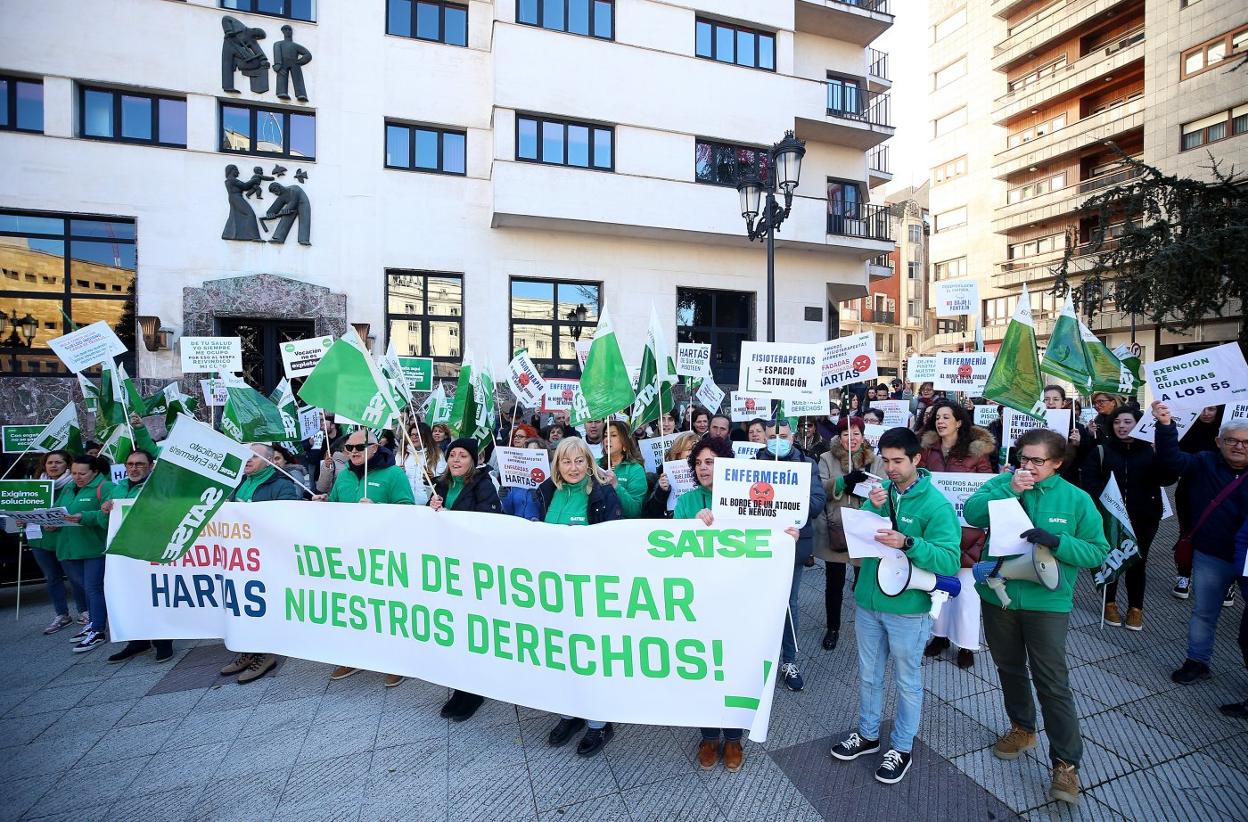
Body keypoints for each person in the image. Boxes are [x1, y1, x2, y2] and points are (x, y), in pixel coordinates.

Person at [963, 429, 1110, 806]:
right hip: (1000, 595)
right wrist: (1009, 488)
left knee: (1052, 680)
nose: (1027, 466)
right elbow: (974, 514)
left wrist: (1058, 542)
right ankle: (1022, 727)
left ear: (1057, 463)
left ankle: (1065, 763)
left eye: (1037, 461)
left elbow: (1097, 552)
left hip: (1047, 602)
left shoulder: (1076, 499)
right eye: (1023, 458)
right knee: (1009, 667)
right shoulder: (1003, 482)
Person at [830, 427, 960, 785]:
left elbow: (949, 561)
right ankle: (868, 735)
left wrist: (909, 542)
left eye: (897, 461)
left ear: (917, 459)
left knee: (907, 680)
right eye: (885, 460)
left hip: (907, 607)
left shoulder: (936, 506)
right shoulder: (882, 492)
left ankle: (901, 748)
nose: (889, 468)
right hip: (870, 600)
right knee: (869, 674)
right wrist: (871, 511)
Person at [676, 434, 800, 773]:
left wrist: (785, 538)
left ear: (726, 465)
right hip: (700, 598)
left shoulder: (745, 497)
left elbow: (768, 534)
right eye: (699, 462)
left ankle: (732, 738)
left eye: (711, 461)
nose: (704, 468)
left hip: (740, 598)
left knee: (733, 668)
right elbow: (673, 548)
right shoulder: (687, 503)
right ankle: (708, 736)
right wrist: (692, 527)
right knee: (704, 670)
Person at [534, 437, 623, 756]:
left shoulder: (603, 493)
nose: (573, 468)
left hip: (590, 592)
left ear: (589, 462)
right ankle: (569, 714)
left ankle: (600, 724)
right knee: (561, 654)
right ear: (557, 465)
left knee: (591, 657)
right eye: (566, 462)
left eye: (579, 461)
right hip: (554, 591)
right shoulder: (545, 492)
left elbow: (614, 541)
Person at [1152, 402, 1248, 685]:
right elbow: (1172, 461)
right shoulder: (1204, 462)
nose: (1239, 446)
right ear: (1219, 441)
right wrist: (1167, 426)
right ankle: (1197, 662)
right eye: (1231, 440)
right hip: (1213, 555)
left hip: (1247, 561)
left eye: (1245, 442)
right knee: (1205, 612)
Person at [319, 430, 415, 687]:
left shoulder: (394, 474)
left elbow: (409, 510)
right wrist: (321, 504)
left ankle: (397, 661)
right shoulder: (345, 475)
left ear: (373, 448)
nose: (352, 452)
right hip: (351, 554)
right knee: (355, 607)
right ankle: (356, 656)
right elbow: (335, 507)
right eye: (348, 448)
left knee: (387, 608)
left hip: (383, 554)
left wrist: (378, 510)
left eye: (359, 448)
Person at [1079, 407, 1177, 630]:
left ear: (1139, 425)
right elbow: (1090, 483)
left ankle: (1135, 608)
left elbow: (1168, 478)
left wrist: (1163, 455)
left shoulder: (1151, 450)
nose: (1121, 426)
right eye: (1117, 422)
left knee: (1137, 562)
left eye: (1127, 422)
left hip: (1144, 517)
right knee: (1111, 558)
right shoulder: (1101, 451)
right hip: (1109, 518)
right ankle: (1110, 603)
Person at [918, 400, 994, 669]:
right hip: (937, 527)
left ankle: (966, 644)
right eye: (937, 417)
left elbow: (987, 486)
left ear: (959, 421)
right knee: (938, 585)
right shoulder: (927, 451)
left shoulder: (976, 453)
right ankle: (938, 636)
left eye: (946, 417)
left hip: (968, 531)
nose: (940, 421)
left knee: (967, 591)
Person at [429, 438, 502, 721]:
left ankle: (474, 690)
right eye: (452, 455)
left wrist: (454, 516)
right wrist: (431, 507)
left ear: (473, 460)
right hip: (447, 567)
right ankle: (460, 685)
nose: (456, 460)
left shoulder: (483, 484)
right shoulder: (441, 485)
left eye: (462, 456)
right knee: (456, 628)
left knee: (473, 628)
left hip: (473, 568)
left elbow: (491, 522)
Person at [218, 444, 298, 683]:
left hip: (267, 560)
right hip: (241, 559)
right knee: (246, 606)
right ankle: (250, 651)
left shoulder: (282, 486)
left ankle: (266, 655)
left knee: (265, 606)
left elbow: (288, 520)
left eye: (253, 456)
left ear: (271, 460)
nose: (247, 460)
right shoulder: (240, 483)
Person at [756, 418, 826, 691]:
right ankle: (758, 660)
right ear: (764, 438)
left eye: (783, 436)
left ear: (793, 438)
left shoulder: (807, 465)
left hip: (792, 545)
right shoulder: (751, 465)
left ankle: (789, 660)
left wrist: (785, 502)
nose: (778, 440)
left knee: (788, 603)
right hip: (758, 546)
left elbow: (818, 502)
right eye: (773, 435)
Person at [814, 417, 884, 651]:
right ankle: (832, 626)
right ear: (838, 437)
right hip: (837, 525)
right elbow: (821, 487)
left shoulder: (875, 459)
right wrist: (845, 481)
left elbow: (883, 487)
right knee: (833, 582)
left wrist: (867, 488)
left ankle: (871, 626)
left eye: (855, 433)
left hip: (864, 528)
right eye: (846, 434)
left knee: (866, 579)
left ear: (863, 436)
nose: (851, 439)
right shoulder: (826, 458)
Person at [104, 449, 175, 664]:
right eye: (130, 464)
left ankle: (163, 642)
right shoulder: (117, 489)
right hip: (123, 552)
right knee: (129, 596)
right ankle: (137, 640)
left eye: (140, 464)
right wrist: (104, 511)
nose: (134, 468)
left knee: (155, 595)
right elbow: (103, 523)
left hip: (150, 550)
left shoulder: (159, 489)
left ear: (151, 466)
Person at [49, 455, 114, 653]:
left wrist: (83, 517)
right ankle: (94, 623)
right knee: (84, 588)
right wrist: (49, 521)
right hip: (69, 548)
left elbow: (108, 515)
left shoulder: (105, 487)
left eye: (82, 473)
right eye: (74, 473)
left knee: (93, 589)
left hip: (94, 547)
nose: (78, 477)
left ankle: (97, 630)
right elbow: (56, 510)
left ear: (94, 472)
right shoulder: (69, 487)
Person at [25, 450, 84, 634]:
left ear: (67, 464)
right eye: (50, 462)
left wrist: (57, 522)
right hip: (39, 540)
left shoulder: (74, 485)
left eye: (58, 462)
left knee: (75, 577)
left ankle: (84, 611)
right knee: (51, 578)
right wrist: (22, 518)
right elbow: (25, 507)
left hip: (63, 538)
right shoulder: (35, 486)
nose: (53, 466)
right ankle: (61, 614)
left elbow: (74, 510)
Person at [1172, 405, 1224, 600]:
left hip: (1221, 490)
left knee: (1222, 533)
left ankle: (1226, 583)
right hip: (1189, 489)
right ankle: (1183, 576)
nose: (1206, 413)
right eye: (1202, 409)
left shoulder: (1228, 429)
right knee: (1187, 532)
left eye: (1211, 409)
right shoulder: (1185, 428)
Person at [642, 431, 698, 518]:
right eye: (690, 449)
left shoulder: (706, 476)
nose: (695, 453)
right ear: (678, 454)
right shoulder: (664, 476)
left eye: (697, 449)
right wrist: (661, 491)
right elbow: (651, 514)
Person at [599, 420, 647, 518]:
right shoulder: (596, 464)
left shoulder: (635, 470)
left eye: (613, 435)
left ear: (625, 440)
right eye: (605, 435)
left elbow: (634, 511)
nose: (607, 439)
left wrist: (616, 486)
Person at [401, 421, 445, 505]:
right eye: (412, 434)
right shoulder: (402, 454)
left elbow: (443, 479)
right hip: (405, 502)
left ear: (426, 436)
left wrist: (433, 478)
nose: (414, 437)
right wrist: (398, 472)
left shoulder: (437, 455)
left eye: (417, 435)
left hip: (427, 504)